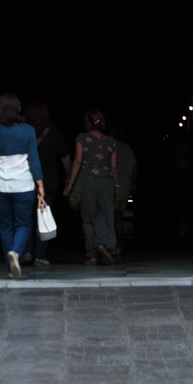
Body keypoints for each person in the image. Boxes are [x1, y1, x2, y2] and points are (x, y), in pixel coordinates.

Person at [0, 92, 45, 279]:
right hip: (23, 185)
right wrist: (40, 185)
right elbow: (33, 160)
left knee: (5, 226)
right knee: (24, 223)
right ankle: (16, 253)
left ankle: (11, 269)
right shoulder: (28, 131)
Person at [64, 109, 119, 266]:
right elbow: (114, 167)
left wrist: (70, 184)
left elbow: (78, 161)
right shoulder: (112, 142)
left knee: (88, 218)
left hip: (88, 181)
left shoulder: (82, 138)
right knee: (105, 213)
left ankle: (92, 255)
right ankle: (105, 243)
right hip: (107, 181)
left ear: (88, 123)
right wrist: (116, 186)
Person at [25, 101, 71, 266]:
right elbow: (65, 157)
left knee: (27, 218)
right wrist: (68, 178)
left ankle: (27, 252)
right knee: (43, 215)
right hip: (49, 180)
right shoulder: (55, 134)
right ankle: (40, 255)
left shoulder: (25, 133)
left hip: (27, 179)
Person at [111, 124, 138, 254]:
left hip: (111, 183)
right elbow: (134, 168)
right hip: (124, 184)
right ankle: (118, 243)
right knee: (119, 216)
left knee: (110, 215)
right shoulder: (128, 149)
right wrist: (134, 183)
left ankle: (109, 242)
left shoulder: (110, 147)